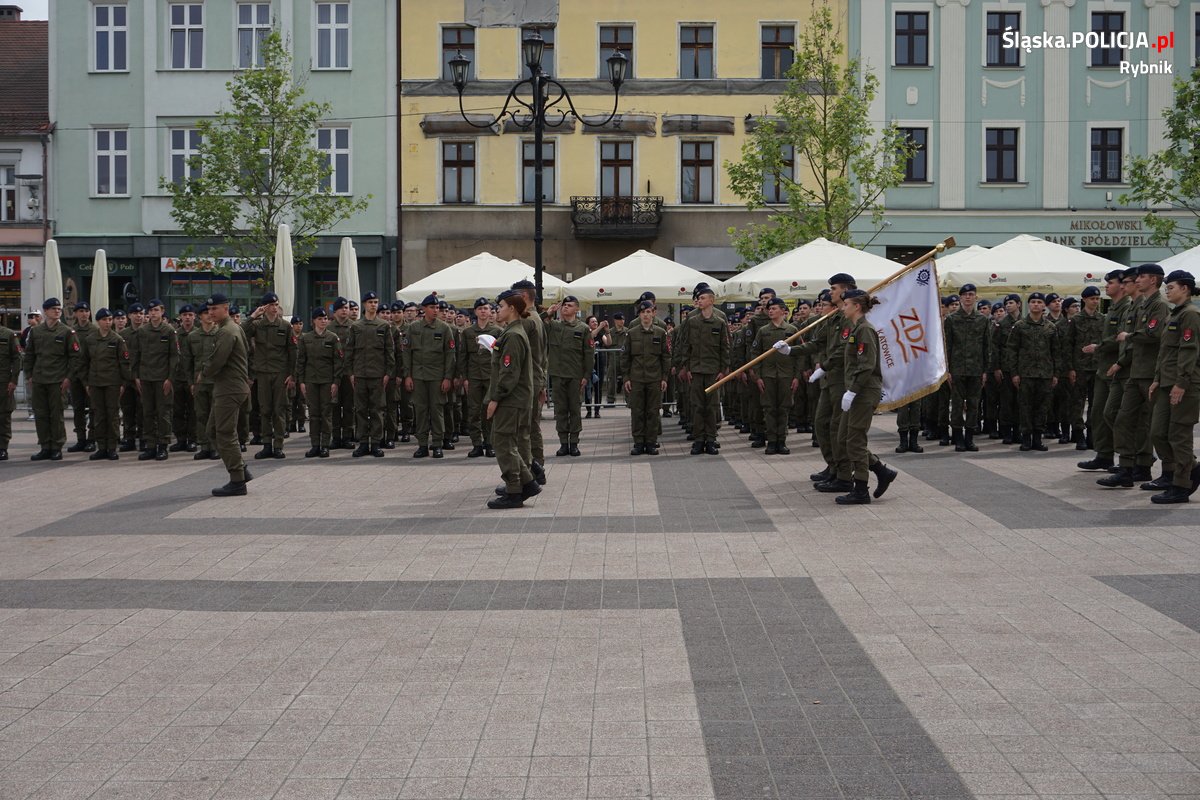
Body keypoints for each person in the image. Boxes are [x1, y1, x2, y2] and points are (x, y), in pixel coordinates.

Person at [1099, 264, 1170, 488]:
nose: (1137, 280)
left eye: (1141, 277)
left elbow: (1154, 334)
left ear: (1153, 280)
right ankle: (1127, 468)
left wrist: (1128, 336)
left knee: (1155, 426)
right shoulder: (1141, 306)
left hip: (1150, 373)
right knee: (1121, 419)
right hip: (1136, 372)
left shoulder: (1159, 305)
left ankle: (1159, 468)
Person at [833, 288, 897, 504]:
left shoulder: (865, 330)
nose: (843, 307)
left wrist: (852, 390)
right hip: (856, 390)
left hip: (863, 391)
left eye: (846, 304)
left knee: (855, 441)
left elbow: (867, 365)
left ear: (856, 306)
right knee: (844, 438)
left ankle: (861, 489)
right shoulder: (856, 329)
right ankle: (881, 470)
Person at [1146, 270, 1200, 503]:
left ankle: (1181, 486)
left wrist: (1181, 383)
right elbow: (1165, 352)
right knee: (1158, 432)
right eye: (1166, 287)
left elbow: (1189, 351)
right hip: (1167, 382)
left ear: (1185, 289)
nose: (1167, 290)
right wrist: (1158, 378)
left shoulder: (1191, 314)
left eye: (1171, 287)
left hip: (1184, 384)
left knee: (1179, 435)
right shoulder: (1173, 315)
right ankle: (1191, 469)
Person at [486, 289, 540, 509]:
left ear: (512, 309)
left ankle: (514, 491)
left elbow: (509, 374)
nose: (497, 310)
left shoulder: (514, 335)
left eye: (500, 306)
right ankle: (527, 482)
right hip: (514, 398)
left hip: (511, 399)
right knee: (507, 442)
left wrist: (494, 399)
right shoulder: (511, 332)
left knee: (503, 443)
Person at [1078, 270, 1132, 471]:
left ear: (1122, 285)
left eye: (1110, 283)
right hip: (1104, 369)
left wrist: (1098, 347)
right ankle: (1104, 454)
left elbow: (1121, 338)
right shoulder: (1113, 308)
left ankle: (1128, 458)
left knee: (1115, 415)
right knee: (1098, 413)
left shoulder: (1126, 308)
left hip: (1117, 368)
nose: (1106, 286)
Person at [203, 294, 252, 496]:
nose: (211, 313)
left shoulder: (227, 331)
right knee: (213, 430)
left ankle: (237, 481)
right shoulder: (232, 328)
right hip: (229, 387)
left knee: (224, 433)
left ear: (225, 308)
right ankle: (241, 468)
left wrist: (203, 372)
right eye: (209, 310)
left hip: (229, 388)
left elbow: (217, 362)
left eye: (215, 309)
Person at [243, 292, 297, 460]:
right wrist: (253, 316)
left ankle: (278, 445)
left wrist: (292, 375)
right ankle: (267, 445)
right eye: (271, 305)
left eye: (276, 305)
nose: (274, 308)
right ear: (264, 307)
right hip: (263, 373)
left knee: (279, 410)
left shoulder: (285, 326)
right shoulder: (257, 325)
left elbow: (293, 351)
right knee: (265, 410)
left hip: (280, 373)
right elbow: (241, 332)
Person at [25, 297, 80, 461]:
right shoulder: (36, 332)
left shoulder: (67, 332)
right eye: (53, 308)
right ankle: (45, 446)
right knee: (41, 415)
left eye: (59, 309)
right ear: (45, 311)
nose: (57, 311)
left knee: (56, 416)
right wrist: (29, 375)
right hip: (39, 379)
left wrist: (68, 378)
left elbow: (75, 357)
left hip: (57, 380)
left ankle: (57, 447)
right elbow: (29, 355)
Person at [677, 284, 729, 455]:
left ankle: (712, 439)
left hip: (714, 371)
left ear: (711, 301)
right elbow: (685, 346)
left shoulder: (720, 321)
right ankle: (699, 439)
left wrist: (724, 369)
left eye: (702, 298)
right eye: (698, 298)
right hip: (697, 370)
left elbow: (725, 347)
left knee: (712, 406)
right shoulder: (691, 321)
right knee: (698, 406)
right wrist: (687, 367)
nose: (699, 300)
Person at [1006, 292, 1060, 452]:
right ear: (1028, 305)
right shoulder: (1020, 326)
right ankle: (1026, 439)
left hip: (1045, 374)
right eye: (1033, 302)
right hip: (1025, 374)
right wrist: (1014, 373)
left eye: (1039, 302)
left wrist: (1056, 374)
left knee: (1042, 407)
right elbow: (1012, 350)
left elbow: (1056, 352)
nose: (1036, 304)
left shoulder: (1051, 327)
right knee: (1025, 407)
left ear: (1044, 306)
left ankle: (1038, 438)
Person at [403, 294, 454, 458]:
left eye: (437, 308)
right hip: (418, 376)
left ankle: (437, 444)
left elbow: (450, 355)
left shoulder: (444, 328)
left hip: (437, 376)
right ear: (424, 309)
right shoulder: (413, 328)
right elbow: (407, 353)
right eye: (432, 307)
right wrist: (408, 375)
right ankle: (422, 444)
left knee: (437, 410)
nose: (435, 310)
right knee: (421, 410)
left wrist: (447, 377)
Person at [748, 297, 801, 454]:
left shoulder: (791, 330)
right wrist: (757, 376)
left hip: (787, 375)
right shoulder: (763, 331)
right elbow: (755, 354)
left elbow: (800, 355)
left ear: (783, 311)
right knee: (769, 409)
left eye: (774, 308)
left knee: (784, 409)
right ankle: (771, 441)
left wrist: (797, 376)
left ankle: (781, 441)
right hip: (767, 376)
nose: (770, 310)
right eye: (769, 309)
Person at [346, 292, 395, 458]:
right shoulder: (356, 326)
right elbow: (349, 352)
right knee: (360, 410)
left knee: (377, 410)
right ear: (364, 305)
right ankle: (362, 443)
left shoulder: (384, 326)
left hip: (377, 375)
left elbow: (390, 352)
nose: (373, 305)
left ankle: (375, 443)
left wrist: (388, 373)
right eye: (370, 302)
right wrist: (351, 373)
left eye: (375, 302)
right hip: (360, 374)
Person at [79, 308, 132, 460]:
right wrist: (86, 383)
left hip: (112, 383)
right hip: (95, 383)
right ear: (98, 321)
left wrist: (123, 383)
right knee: (99, 415)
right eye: (104, 320)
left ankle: (112, 447)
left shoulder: (117, 340)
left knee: (113, 415)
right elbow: (83, 363)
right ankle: (101, 447)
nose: (108, 322)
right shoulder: (89, 340)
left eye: (110, 319)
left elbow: (124, 363)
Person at [943, 283, 991, 452]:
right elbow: (947, 346)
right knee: (956, 405)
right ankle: (958, 438)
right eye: (965, 295)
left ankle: (969, 438)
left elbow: (987, 346)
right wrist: (947, 370)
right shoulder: (951, 320)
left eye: (971, 294)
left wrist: (985, 370)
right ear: (961, 297)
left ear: (975, 297)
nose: (968, 297)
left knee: (973, 404)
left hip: (976, 369)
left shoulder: (983, 320)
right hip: (956, 369)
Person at [546, 295, 594, 457]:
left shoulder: (583, 329)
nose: (565, 307)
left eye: (570, 305)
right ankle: (563, 443)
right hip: (558, 375)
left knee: (574, 409)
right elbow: (536, 326)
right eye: (564, 305)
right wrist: (548, 313)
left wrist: (586, 375)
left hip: (575, 376)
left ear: (577, 309)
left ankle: (573, 443)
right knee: (560, 410)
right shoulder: (553, 326)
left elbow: (588, 354)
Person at [511, 279, 548, 486]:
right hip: (535, 378)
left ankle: (531, 471)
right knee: (532, 426)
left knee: (524, 429)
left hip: (527, 380)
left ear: (523, 296)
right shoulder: (536, 318)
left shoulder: (527, 320)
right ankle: (537, 468)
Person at [133, 299, 178, 461]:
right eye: (150, 311)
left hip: (162, 378)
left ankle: (162, 445)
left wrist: (170, 378)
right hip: (145, 377)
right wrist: (136, 377)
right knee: (147, 412)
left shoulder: (169, 331)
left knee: (163, 412)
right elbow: (136, 355)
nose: (153, 313)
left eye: (156, 310)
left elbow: (174, 356)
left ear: (162, 311)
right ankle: (150, 445)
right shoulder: (142, 331)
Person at [622, 299, 669, 455]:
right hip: (636, 379)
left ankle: (651, 442)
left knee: (653, 411)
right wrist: (626, 378)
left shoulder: (661, 333)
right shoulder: (632, 333)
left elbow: (666, 357)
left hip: (654, 378)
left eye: (648, 312)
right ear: (639, 315)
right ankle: (638, 442)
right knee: (637, 411)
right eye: (643, 312)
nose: (646, 315)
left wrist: (664, 378)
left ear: (654, 313)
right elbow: (625, 357)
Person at [296, 307, 343, 458]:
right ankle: (315, 445)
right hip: (311, 381)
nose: (323, 321)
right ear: (313, 321)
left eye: (325, 319)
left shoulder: (332, 338)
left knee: (326, 414)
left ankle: (325, 445)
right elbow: (301, 361)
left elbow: (338, 362)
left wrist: (336, 382)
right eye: (320, 319)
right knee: (314, 414)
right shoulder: (306, 338)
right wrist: (301, 381)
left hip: (327, 381)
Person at [460, 297, 503, 458]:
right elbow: (463, 356)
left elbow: (499, 357)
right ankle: (476, 444)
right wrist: (464, 377)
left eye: (486, 309)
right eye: (480, 309)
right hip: (474, 377)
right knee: (473, 412)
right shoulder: (468, 332)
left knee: (489, 411)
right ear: (475, 311)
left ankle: (489, 443)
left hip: (490, 377)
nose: (483, 311)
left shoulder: (497, 331)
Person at [1066, 286, 1104, 451]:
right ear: (1084, 300)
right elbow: (1068, 345)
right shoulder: (1076, 319)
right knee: (1077, 403)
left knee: (1096, 404)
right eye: (1092, 299)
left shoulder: (1103, 319)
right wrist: (1070, 368)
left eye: (1097, 298)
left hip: (1097, 367)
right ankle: (1079, 434)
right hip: (1079, 367)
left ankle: (1092, 435)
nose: (1095, 301)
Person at [184, 303, 219, 461]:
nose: (209, 315)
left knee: (216, 416)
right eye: (205, 313)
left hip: (216, 381)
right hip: (199, 382)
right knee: (201, 415)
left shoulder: (219, 333)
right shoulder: (193, 336)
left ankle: (215, 447)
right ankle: (204, 446)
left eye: (210, 312)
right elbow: (188, 362)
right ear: (200, 316)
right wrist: (191, 382)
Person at [993, 294, 1023, 444]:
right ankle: (1006, 431)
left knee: (1020, 401)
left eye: (1011, 303)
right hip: (1006, 367)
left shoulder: (1025, 322)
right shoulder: (1002, 324)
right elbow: (996, 347)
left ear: (1018, 304)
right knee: (1006, 401)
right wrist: (997, 367)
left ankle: (1018, 430)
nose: (1008, 306)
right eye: (1007, 303)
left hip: (1022, 368)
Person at [66, 301, 96, 452]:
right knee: (77, 408)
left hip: (92, 375)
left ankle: (92, 439)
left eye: (87, 311)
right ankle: (80, 439)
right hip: (76, 375)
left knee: (93, 408)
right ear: (76, 313)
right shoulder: (71, 331)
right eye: (81, 311)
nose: (84, 314)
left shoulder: (95, 330)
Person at [170, 304, 198, 452]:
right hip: (178, 377)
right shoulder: (174, 335)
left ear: (194, 316)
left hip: (193, 379)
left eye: (190, 314)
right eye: (184, 315)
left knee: (194, 410)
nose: (187, 317)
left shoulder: (198, 334)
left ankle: (193, 439)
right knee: (178, 410)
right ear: (180, 317)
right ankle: (181, 439)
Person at [329, 297, 356, 448]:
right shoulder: (329, 328)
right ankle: (336, 437)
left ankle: (347, 436)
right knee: (334, 406)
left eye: (347, 308)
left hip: (348, 373)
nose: (345, 310)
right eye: (342, 308)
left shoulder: (354, 327)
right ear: (336, 310)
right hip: (333, 374)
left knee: (348, 406)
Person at [118, 303, 144, 451]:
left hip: (143, 377)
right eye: (135, 313)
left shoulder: (147, 332)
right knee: (127, 410)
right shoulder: (122, 335)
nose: (138, 316)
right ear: (129, 316)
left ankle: (144, 438)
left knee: (143, 410)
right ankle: (129, 438)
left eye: (140, 313)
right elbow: (120, 359)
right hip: (127, 378)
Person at [0, 318, 19, 460]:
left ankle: (2, 447)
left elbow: (17, 358)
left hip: (4, 382)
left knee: (4, 415)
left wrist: (14, 380)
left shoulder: (8, 334)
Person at [287, 314, 307, 436]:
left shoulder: (305, 338)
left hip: (302, 373)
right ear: (292, 325)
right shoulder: (289, 338)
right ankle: (292, 423)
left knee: (302, 400)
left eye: (300, 324)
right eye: (296, 324)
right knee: (291, 400)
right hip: (292, 373)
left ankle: (301, 423)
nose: (298, 326)